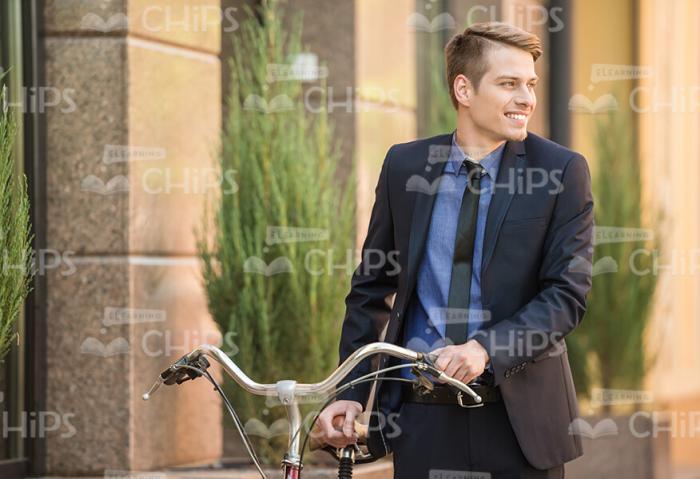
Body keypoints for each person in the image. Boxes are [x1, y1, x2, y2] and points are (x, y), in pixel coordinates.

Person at [316, 21, 594, 478]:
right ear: (463, 89)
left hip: (518, 421)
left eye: (531, 84)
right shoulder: (405, 165)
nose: (527, 98)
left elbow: (566, 295)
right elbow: (371, 288)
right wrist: (349, 389)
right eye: (508, 84)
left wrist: (485, 348)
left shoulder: (561, 171)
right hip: (421, 418)